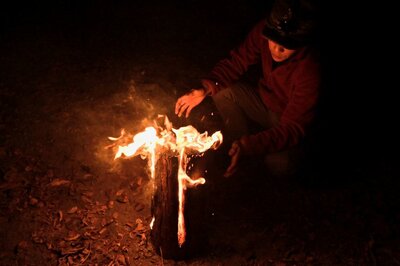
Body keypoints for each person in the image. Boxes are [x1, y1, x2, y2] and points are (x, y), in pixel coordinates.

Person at [175, 0, 321, 178]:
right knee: (222, 91)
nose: (277, 48)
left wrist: (250, 145)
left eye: (287, 44)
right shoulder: (264, 30)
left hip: (290, 119)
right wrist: (205, 88)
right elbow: (237, 61)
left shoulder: (311, 68)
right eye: (273, 39)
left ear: (302, 42)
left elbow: (293, 127)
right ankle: (236, 149)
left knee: (279, 164)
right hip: (266, 102)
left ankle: (247, 151)